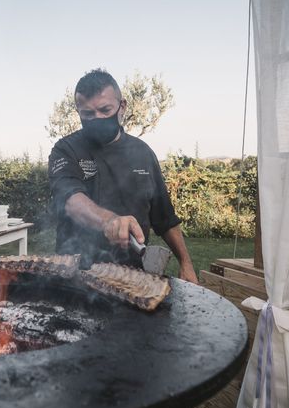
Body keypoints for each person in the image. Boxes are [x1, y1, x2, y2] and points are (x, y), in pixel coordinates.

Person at [48, 69, 198, 284]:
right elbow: (71, 200)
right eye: (88, 114)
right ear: (78, 111)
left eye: (105, 109)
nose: (97, 118)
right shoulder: (65, 149)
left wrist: (186, 263)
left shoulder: (143, 153)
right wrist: (109, 220)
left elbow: (165, 219)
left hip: (132, 276)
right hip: (76, 275)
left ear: (122, 107)